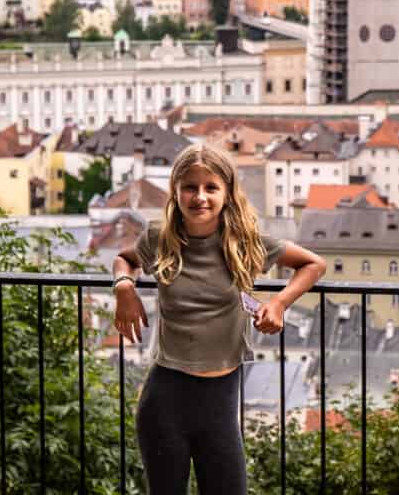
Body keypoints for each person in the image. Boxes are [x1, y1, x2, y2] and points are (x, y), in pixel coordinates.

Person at [112, 143, 326, 495]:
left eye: (211, 187)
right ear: (176, 191)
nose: (200, 197)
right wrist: (123, 288)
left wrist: (280, 303)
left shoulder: (244, 242)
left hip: (220, 401)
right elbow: (124, 258)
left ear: (227, 193)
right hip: (165, 399)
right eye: (190, 187)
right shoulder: (159, 237)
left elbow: (312, 264)